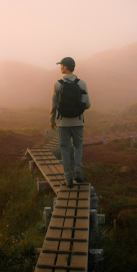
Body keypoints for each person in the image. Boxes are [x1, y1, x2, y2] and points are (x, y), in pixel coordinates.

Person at [50, 56, 90, 188]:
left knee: (65, 149)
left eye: (61, 65)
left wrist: (52, 120)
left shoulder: (57, 84)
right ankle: (78, 172)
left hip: (62, 123)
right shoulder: (81, 84)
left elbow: (54, 105)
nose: (60, 67)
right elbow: (87, 105)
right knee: (78, 147)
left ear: (66, 67)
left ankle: (68, 179)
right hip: (78, 122)